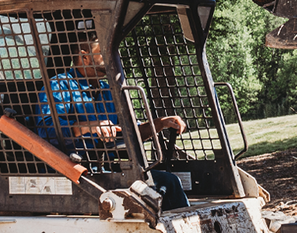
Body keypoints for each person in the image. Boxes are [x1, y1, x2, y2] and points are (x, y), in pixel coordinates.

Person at [35, 36, 190, 209]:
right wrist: (89, 127)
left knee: (169, 182)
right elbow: (46, 130)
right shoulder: (59, 86)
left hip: (108, 170)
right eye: (104, 53)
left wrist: (160, 123)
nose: (111, 58)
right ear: (84, 56)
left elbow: (130, 132)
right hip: (76, 173)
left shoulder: (108, 91)